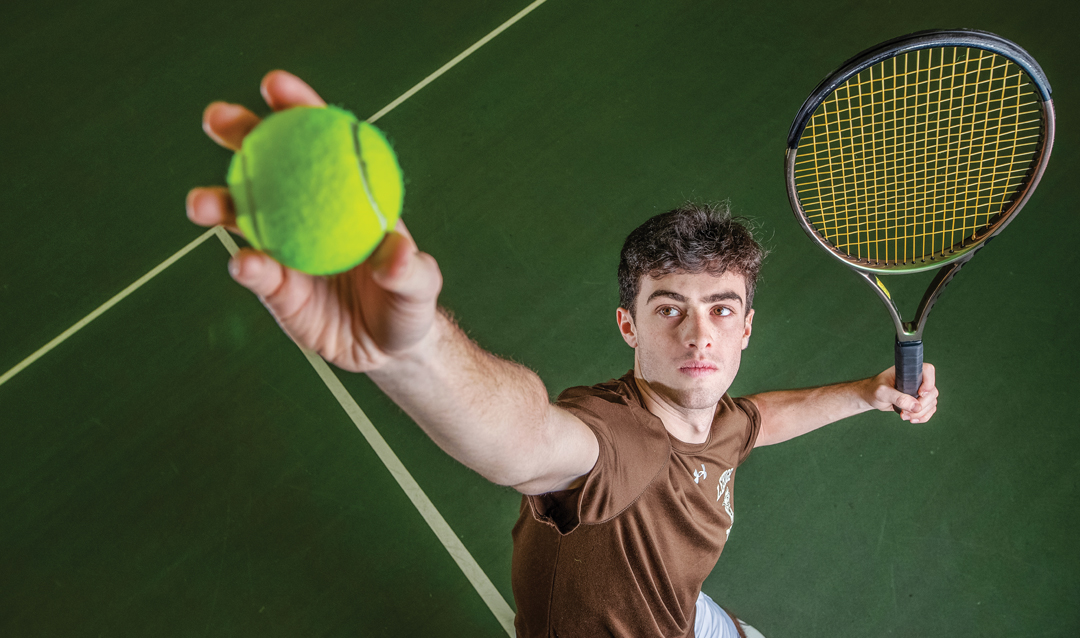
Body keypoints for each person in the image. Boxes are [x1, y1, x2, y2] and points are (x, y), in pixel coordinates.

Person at [186, 71, 938, 638]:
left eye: (721, 309)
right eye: (668, 308)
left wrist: (868, 391)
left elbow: (756, 421)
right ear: (628, 327)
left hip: (679, 620)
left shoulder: (713, 419)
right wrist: (411, 351)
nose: (698, 333)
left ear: (746, 328)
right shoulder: (616, 439)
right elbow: (527, 441)